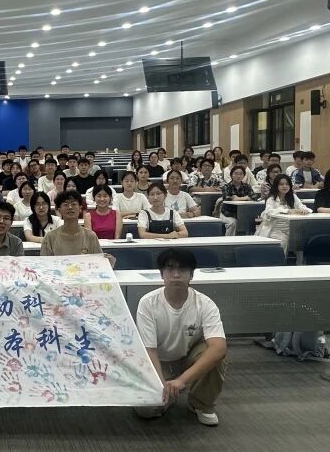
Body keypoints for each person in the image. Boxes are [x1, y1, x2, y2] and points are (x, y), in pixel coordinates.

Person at [134, 249, 227, 426]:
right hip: (160, 362)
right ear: (162, 274)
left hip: (188, 357)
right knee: (146, 411)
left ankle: (201, 404)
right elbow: (150, 350)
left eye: (182, 269)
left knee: (215, 354)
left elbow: (219, 347)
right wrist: (162, 386)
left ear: (191, 275)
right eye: (170, 269)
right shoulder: (148, 303)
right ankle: (170, 391)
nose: (176, 275)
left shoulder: (205, 304)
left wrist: (182, 380)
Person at [41, 190, 114, 265]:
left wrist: (107, 262)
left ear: (80, 208)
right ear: (59, 210)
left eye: (73, 204)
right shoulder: (50, 237)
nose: (70, 207)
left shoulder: (90, 236)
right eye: (66, 205)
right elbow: (44, 265)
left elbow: (98, 263)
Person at [258, 175, 311, 252]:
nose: (284, 186)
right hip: (275, 229)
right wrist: (288, 211)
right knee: (282, 241)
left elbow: (303, 207)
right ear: (276, 186)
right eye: (281, 184)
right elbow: (269, 212)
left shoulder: (293, 196)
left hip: (293, 228)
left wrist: (304, 210)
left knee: (302, 241)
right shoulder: (271, 198)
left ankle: (300, 259)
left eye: (287, 184)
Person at [218, 165, 259, 234]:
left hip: (243, 213)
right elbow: (226, 198)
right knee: (232, 223)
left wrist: (238, 198)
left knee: (250, 222)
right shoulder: (226, 186)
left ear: (244, 176)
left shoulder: (247, 186)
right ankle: (229, 240)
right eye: (236, 174)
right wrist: (246, 198)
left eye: (241, 174)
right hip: (228, 213)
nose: (238, 176)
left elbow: (254, 197)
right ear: (231, 175)